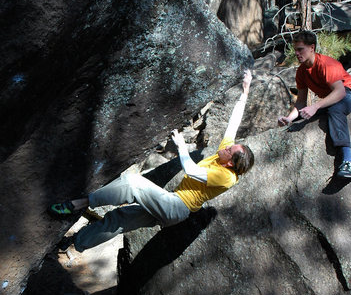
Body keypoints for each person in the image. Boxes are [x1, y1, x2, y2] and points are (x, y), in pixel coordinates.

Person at [49, 70, 254, 251]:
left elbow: (191, 171)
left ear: (230, 163)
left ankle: (79, 204)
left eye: (229, 150)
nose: (226, 146)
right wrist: (245, 92)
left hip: (177, 207)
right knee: (120, 220)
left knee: (132, 183)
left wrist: (182, 146)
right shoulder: (225, 157)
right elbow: (232, 125)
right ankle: (76, 241)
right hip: (170, 204)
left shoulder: (227, 176)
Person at [278, 30, 351, 178]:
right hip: (331, 99)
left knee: (335, 111)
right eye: (295, 50)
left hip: (347, 92)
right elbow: (301, 102)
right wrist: (289, 119)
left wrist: (316, 106)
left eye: (300, 49)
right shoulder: (302, 72)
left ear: (312, 48)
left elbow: (340, 92)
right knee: (304, 118)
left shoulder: (327, 64)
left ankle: (348, 161)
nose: (297, 53)